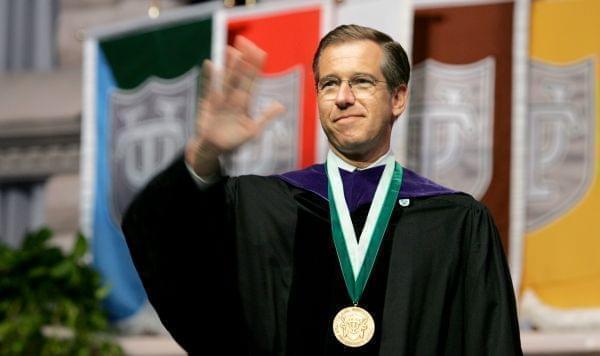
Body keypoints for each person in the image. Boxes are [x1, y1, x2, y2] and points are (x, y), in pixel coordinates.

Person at [122, 25, 522, 355]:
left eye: (361, 82)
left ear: (398, 98)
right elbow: (162, 237)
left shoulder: (455, 222)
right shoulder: (262, 207)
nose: (343, 97)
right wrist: (204, 151)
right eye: (329, 84)